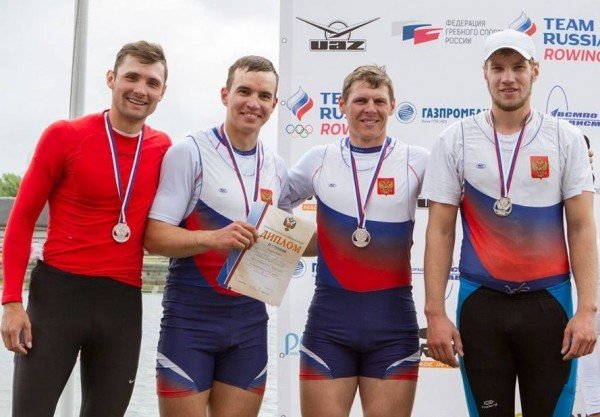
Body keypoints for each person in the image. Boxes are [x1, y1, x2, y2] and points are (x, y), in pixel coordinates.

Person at [421, 29, 597, 416]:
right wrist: (435, 312)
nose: (508, 78)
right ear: (485, 73)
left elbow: (582, 227)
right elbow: (440, 230)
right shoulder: (456, 139)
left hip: (549, 305)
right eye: (498, 68)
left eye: (518, 67)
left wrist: (587, 310)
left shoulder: (565, 138)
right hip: (481, 306)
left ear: (535, 71)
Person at [0, 41, 170, 416]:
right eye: (131, 77)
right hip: (58, 296)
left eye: (152, 82)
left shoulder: (164, 149)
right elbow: (22, 218)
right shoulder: (64, 135)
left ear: (162, 92)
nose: (140, 89)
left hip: (121, 301)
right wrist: (11, 300)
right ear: (111, 79)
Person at [144, 55, 289, 417]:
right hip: (190, 320)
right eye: (244, 91)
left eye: (263, 95)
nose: (253, 103)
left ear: (274, 104)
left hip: (249, 322)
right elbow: (154, 237)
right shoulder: (189, 152)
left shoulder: (276, 167)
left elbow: (283, 242)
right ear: (225, 94)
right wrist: (212, 239)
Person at [288, 65, 428, 417]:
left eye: (379, 101)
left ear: (392, 106)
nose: (370, 109)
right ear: (342, 104)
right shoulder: (318, 159)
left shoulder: (417, 160)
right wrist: (320, 242)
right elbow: (268, 205)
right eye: (361, 100)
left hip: (393, 325)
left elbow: (465, 200)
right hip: (329, 325)